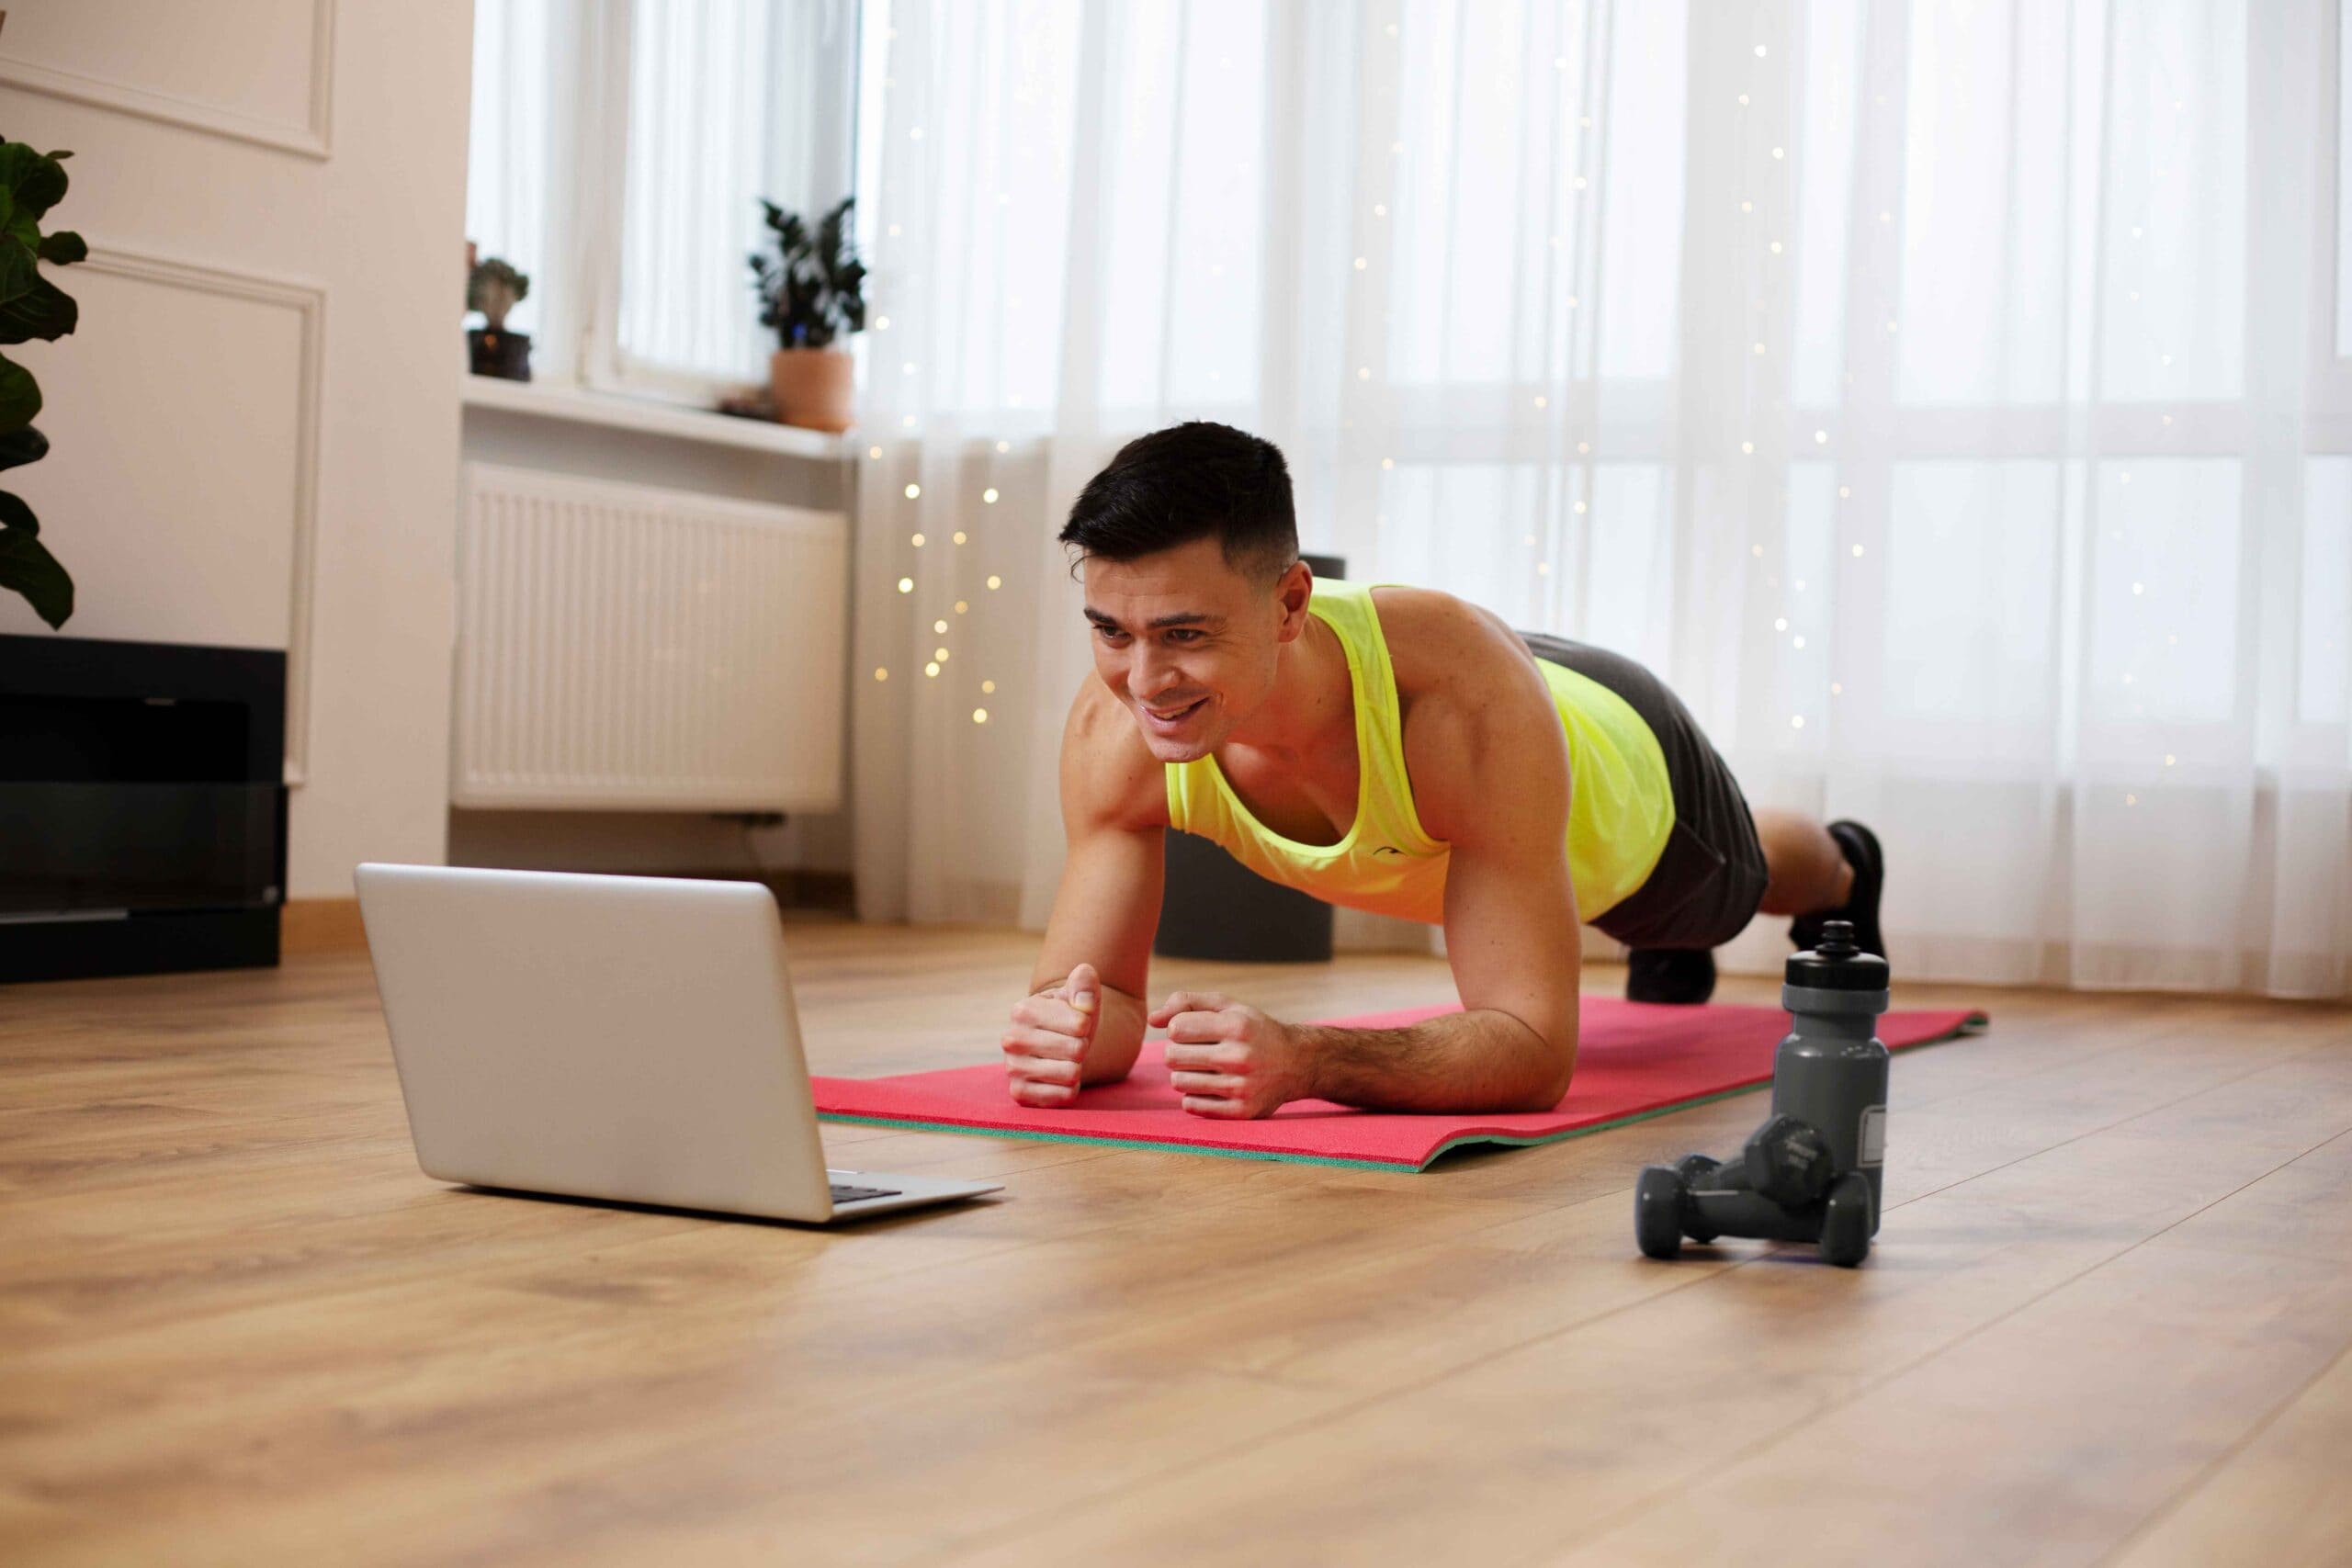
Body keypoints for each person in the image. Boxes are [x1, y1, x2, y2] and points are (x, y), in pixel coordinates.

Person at [1000, 422, 1883, 1121]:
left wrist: (1308, 1058)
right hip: (1483, 695)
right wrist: (1068, 1031)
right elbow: (1106, 998)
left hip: (1613, 752)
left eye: (1185, 634)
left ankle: (1846, 865)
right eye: (1112, 630)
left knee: (1729, 892)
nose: (1144, 681)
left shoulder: (1462, 713)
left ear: (1290, 604)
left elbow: (1533, 1050)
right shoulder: (1117, 728)